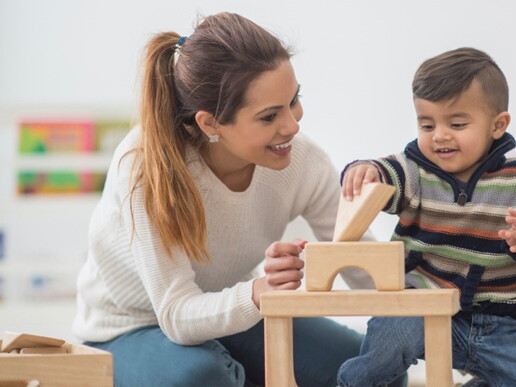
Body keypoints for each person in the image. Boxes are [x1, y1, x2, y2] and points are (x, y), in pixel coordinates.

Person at [71, 12, 407, 387]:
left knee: (377, 370)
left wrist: (430, 291)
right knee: (202, 377)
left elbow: (359, 262)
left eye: (294, 100)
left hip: (227, 317)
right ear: (210, 123)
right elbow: (177, 314)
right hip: (131, 327)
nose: (293, 125)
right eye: (269, 117)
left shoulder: (303, 160)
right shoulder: (145, 167)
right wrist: (259, 292)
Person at [337, 47, 516, 387]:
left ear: (498, 125)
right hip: (420, 305)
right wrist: (367, 170)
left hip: (507, 324)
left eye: (457, 123)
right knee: (386, 344)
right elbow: (386, 173)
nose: (440, 135)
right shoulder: (415, 171)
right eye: (426, 124)